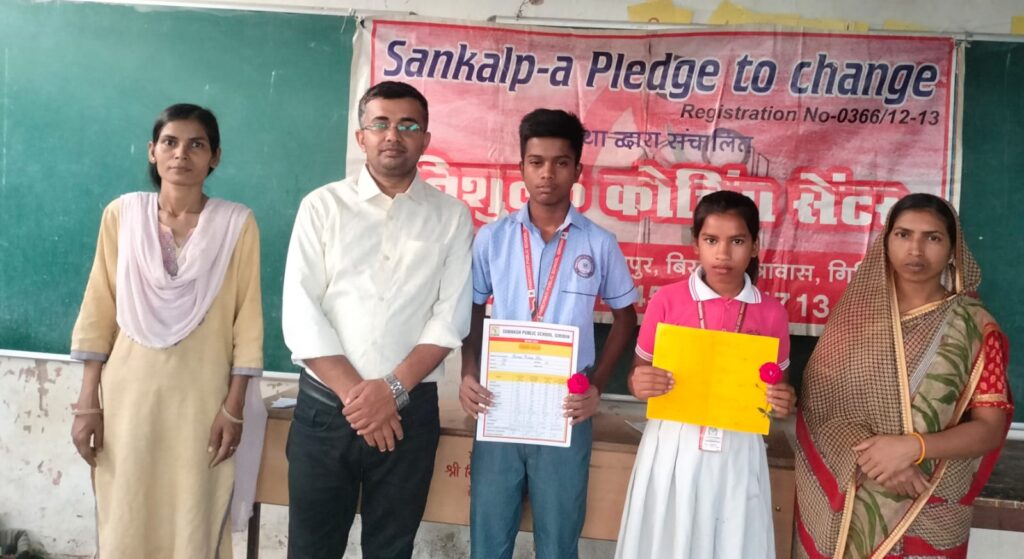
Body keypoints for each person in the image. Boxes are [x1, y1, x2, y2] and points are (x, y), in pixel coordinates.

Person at [281, 80, 473, 558]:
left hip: (409, 413)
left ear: (425, 139)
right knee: (311, 549)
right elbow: (302, 311)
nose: (393, 135)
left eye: (408, 126)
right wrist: (361, 399)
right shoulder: (321, 207)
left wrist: (391, 391)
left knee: (391, 549)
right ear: (360, 136)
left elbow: (449, 318)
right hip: (326, 411)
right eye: (381, 124)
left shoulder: (451, 216)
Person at [70, 103, 263, 558]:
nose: (181, 154)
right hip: (129, 399)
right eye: (170, 142)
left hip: (203, 401)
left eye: (197, 144)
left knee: (193, 516)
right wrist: (87, 403)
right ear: (152, 151)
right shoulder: (122, 216)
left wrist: (234, 408)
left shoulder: (236, 225)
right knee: (127, 514)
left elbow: (248, 321)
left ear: (215, 156)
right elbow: (99, 307)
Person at [459, 108, 639, 559]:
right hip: (499, 405)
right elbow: (473, 308)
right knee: (488, 540)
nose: (547, 174)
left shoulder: (599, 243)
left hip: (566, 410)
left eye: (560, 163)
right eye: (536, 162)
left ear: (578, 170)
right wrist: (467, 372)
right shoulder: (493, 238)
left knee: (559, 543)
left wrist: (597, 386)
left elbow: (626, 318)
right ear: (521, 167)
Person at [795, 193, 1013, 559]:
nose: (915, 249)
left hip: (930, 501)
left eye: (933, 237)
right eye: (903, 234)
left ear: (953, 250)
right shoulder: (856, 318)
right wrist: (882, 463)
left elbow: (990, 428)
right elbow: (820, 406)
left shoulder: (974, 327)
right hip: (853, 497)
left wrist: (914, 448)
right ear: (886, 242)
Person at [615, 190, 797, 559]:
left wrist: (783, 400)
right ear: (695, 243)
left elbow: (779, 389)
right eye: (711, 240)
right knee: (669, 538)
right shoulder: (668, 300)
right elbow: (638, 373)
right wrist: (638, 383)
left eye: (737, 241)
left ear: (755, 246)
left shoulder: (771, 313)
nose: (723, 254)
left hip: (738, 446)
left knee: (732, 539)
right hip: (674, 443)